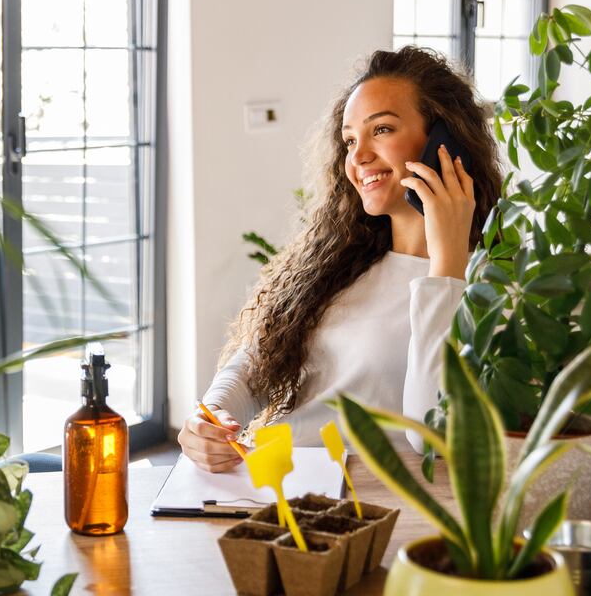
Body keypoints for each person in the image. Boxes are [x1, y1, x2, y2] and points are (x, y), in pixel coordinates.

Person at [179, 46, 503, 472]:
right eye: (350, 140)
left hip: (369, 507)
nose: (359, 156)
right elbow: (258, 362)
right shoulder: (341, 260)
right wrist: (212, 416)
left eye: (381, 130)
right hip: (270, 484)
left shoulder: (487, 284)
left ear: (445, 142)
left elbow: (433, 437)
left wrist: (445, 268)